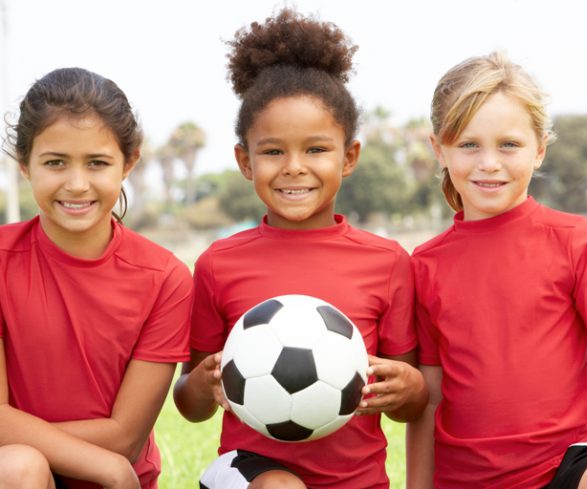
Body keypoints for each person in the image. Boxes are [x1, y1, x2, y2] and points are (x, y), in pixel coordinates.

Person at [173, 8, 427, 489]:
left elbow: (409, 402)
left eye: (315, 149)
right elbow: (188, 404)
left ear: (348, 156)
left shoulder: (387, 262)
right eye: (272, 151)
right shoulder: (218, 264)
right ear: (245, 161)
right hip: (247, 474)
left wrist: (410, 387)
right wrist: (203, 385)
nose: (294, 167)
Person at [408, 51, 587, 489]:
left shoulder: (577, 241)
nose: (488, 162)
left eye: (508, 144)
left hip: (566, 465)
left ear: (540, 150)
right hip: (466, 478)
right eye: (468, 144)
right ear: (439, 148)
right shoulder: (425, 265)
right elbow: (430, 400)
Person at [0, 67, 193, 489]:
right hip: (10, 475)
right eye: (55, 163)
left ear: (129, 162)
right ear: (24, 164)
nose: (76, 184)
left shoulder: (165, 278)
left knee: (20, 453)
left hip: (116, 477)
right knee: (19, 465)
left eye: (97, 163)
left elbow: (124, 438)